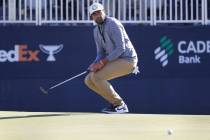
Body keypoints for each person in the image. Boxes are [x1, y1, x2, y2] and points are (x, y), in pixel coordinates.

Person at [84, 2, 139, 114]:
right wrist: (94, 64)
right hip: (116, 60)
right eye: (94, 14)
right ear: (91, 17)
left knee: (97, 77)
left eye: (99, 12)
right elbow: (100, 53)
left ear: (104, 11)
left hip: (128, 60)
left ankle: (120, 105)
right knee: (89, 80)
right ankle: (115, 104)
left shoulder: (113, 23)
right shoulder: (96, 31)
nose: (97, 15)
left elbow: (121, 48)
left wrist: (102, 63)